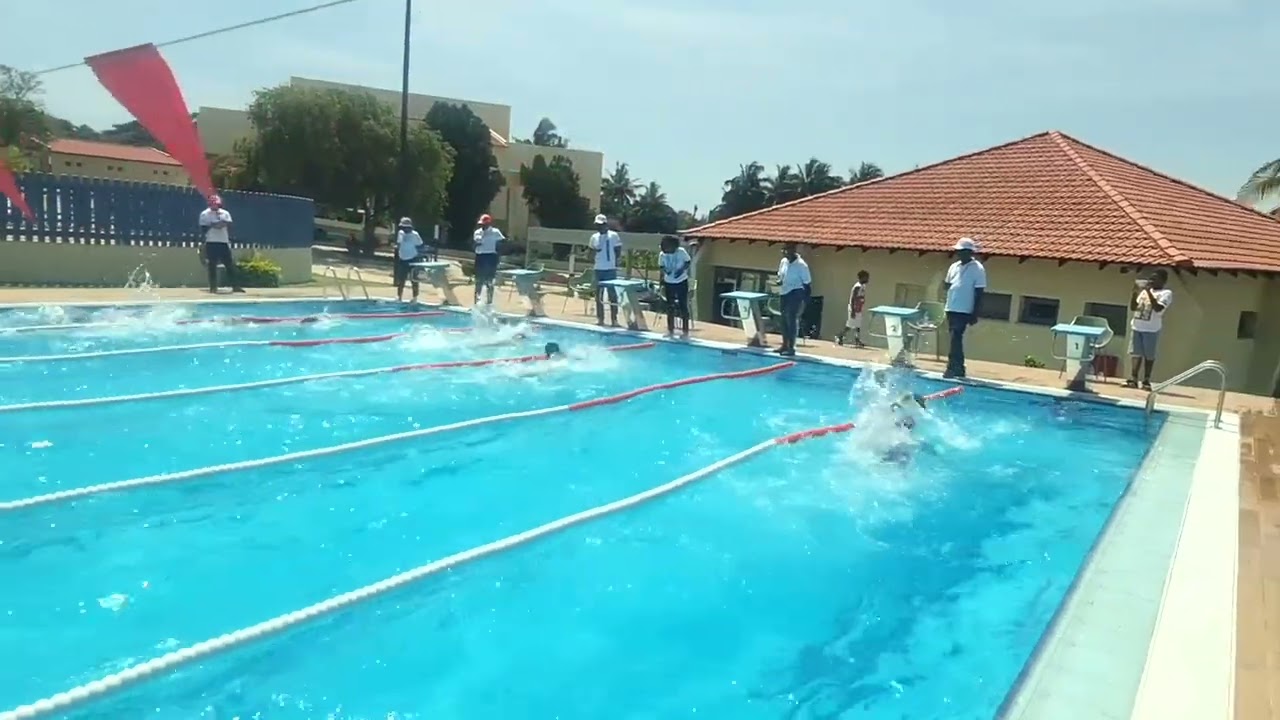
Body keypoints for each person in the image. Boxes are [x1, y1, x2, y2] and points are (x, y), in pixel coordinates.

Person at [942, 237, 987, 379]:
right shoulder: (954, 266)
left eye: (961, 251)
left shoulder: (977, 268)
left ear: (969, 252)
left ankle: (951, 367)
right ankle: (959, 368)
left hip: (964, 309)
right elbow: (947, 284)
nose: (958, 254)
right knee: (954, 338)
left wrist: (975, 313)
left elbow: (979, 292)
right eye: (958, 251)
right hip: (951, 307)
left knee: (956, 336)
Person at [1126, 269, 1173, 390]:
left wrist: (1148, 292)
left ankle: (1146, 380)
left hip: (1151, 329)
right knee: (1135, 354)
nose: (1151, 281)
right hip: (1137, 326)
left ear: (1163, 281)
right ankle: (1133, 378)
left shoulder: (1166, 293)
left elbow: (1158, 308)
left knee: (1149, 355)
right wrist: (1135, 293)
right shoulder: (1144, 292)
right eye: (1150, 278)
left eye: (1155, 278)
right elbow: (1133, 307)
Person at [198, 195, 244, 294]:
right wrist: (215, 225)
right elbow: (203, 228)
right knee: (212, 265)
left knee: (229, 264)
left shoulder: (225, 213)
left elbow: (230, 225)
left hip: (223, 241)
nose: (215, 205)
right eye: (213, 203)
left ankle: (235, 286)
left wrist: (222, 224)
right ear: (209, 203)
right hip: (211, 242)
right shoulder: (205, 214)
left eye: (216, 203)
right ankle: (213, 287)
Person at [775, 242, 812, 357]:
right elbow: (780, 276)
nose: (785, 253)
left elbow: (807, 284)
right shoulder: (784, 262)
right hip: (784, 292)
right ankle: (784, 344)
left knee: (790, 318)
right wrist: (779, 281)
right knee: (783, 319)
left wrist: (805, 302)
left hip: (796, 292)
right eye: (784, 250)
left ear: (793, 250)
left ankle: (791, 347)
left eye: (787, 250)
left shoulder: (801, 265)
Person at [588, 214, 624, 327]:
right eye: (597, 225)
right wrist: (594, 253)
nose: (599, 227)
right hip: (598, 268)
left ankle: (614, 319)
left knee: (612, 295)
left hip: (610, 269)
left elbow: (618, 250)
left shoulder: (614, 236)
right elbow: (590, 253)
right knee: (598, 295)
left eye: (601, 225)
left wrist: (613, 261)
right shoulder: (594, 237)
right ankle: (600, 318)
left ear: (606, 224)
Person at [658, 235, 692, 338]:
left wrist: (681, 270)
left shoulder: (681, 251)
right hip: (669, 282)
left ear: (673, 246)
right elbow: (661, 266)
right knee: (670, 307)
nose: (666, 250)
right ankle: (670, 330)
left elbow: (688, 262)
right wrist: (665, 272)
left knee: (683, 306)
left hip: (681, 281)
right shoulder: (662, 254)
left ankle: (685, 332)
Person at [473, 214, 504, 305]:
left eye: (484, 224)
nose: (482, 226)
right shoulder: (477, 232)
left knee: (489, 280)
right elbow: (475, 243)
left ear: (489, 224)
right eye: (481, 224)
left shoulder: (495, 232)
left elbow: (502, 242)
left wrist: (499, 254)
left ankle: (489, 301)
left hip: (491, 256)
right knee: (478, 279)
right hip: (480, 256)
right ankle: (476, 301)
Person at [393, 217, 424, 303]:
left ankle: (415, 298)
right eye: (403, 227)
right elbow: (399, 243)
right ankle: (399, 296)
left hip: (413, 259)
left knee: (414, 280)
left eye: (406, 227)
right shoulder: (401, 233)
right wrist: (397, 247)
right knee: (401, 279)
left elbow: (420, 244)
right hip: (403, 259)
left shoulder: (415, 234)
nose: (404, 229)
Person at [836, 270, 870, 347]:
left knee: (857, 325)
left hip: (858, 308)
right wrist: (853, 310)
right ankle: (840, 336)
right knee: (850, 325)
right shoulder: (857, 287)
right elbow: (853, 299)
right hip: (854, 308)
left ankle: (857, 340)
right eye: (866, 277)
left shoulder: (863, 286)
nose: (868, 279)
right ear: (862, 278)